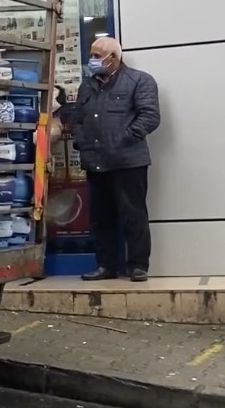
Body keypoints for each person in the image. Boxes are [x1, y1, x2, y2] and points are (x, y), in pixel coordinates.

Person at [58, 36, 161, 282]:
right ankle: (106, 266)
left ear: (113, 58)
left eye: (96, 56)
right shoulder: (87, 86)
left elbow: (150, 117)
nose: (91, 60)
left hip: (128, 162)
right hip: (95, 161)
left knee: (133, 214)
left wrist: (122, 139)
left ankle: (137, 266)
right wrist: (81, 141)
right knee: (100, 217)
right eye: (91, 54)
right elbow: (79, 119)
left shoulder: (140, 81)